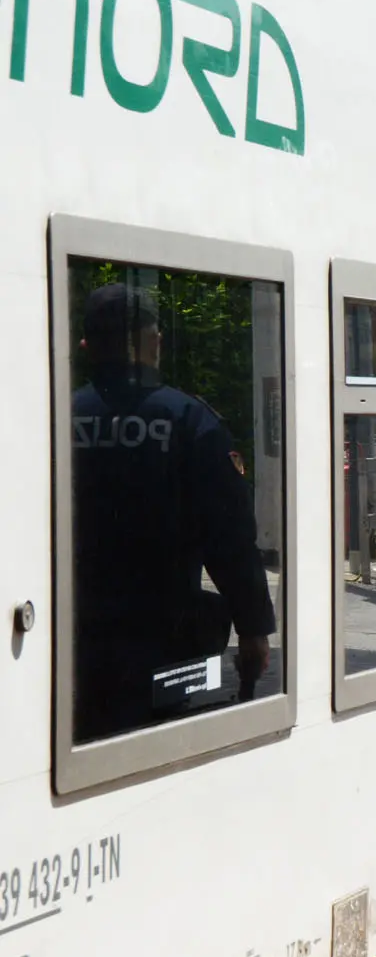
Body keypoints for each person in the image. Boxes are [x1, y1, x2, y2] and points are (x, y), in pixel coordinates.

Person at [72, 283, 275, 743]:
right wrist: (254, 629)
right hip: (162, 646)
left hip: (71, 640)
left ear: (87, 347)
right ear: (150, 342)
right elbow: (229, 536)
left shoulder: (57, 416)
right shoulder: (188, 420)